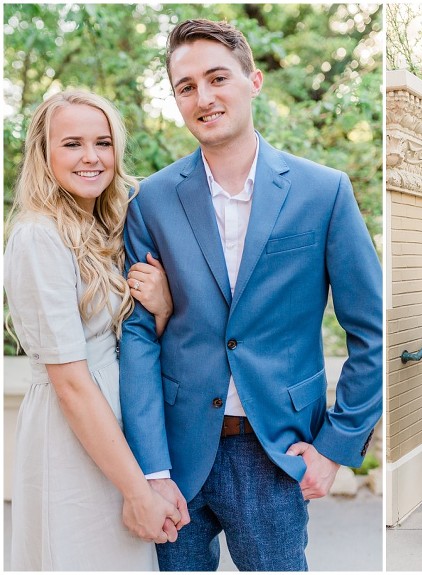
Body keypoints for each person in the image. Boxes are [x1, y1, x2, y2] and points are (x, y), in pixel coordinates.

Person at [118, 19, 383, 571]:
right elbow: (138, 337)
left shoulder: (324, 191)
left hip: (275, 452)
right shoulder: (151, 201)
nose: (204, 97)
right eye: (186, 87)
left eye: (217, 78)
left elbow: (372, 329)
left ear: (254, 80)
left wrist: (336, 447)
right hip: (176, 455)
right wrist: (150, 470)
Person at [4, 90, 188, 571]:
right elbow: (70, 382)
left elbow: (130, 344)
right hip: (72, 439)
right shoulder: (38, 237)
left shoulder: (107, 227)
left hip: (120, 434)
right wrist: (138, 490)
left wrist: (163, 307)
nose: (91, 157)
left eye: (102, 143)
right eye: (72, 144)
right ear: (44, 155)